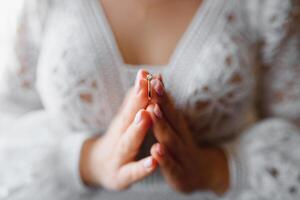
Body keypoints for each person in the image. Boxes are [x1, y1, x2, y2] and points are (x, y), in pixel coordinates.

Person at [1, 0, 300, 199]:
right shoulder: (41, 5)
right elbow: (9, 119)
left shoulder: (264, 7)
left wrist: (214, 168)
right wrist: (90, 160)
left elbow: (293, 124)